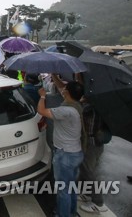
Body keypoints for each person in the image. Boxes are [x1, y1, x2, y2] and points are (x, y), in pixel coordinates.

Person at [38, 78, 85, 217]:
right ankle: (71, 212)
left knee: (63, 190)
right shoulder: (77, 105)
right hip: (75, 153)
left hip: (65, 156)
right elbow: (62, 88)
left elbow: (41, 110)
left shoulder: (65, 111)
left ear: (68, 93)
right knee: (71, 187)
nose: (63, 89)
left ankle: (62, 214)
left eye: (65, 89)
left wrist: (42, 95)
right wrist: (54, 75)